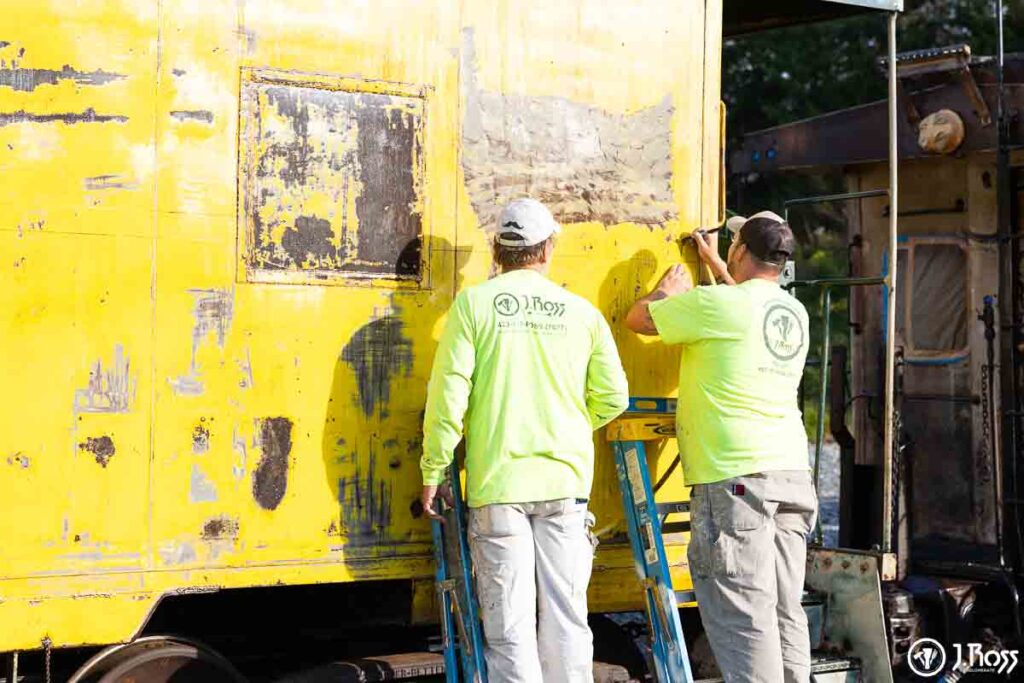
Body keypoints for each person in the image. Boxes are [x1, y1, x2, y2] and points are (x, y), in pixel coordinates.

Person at [420, 198, 629, 683]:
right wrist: (571, 426)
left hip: (500, 486)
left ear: (497, 249)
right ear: (548, 248)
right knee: (566, 620)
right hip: (564, 484)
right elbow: (613, 396)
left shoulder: (473, 305)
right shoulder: (582, 312)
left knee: (510, 627)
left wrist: (433, 470)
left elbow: (447, 396)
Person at [625, 211, 816, 683]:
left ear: (742, 252)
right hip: (792, 472)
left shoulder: (716, 304)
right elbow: (741, 307)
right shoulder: (792, 311)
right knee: (783, 606)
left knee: (743, 612)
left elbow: (638, 319)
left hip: (736, 477)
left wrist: (667, 294)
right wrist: (716, 265)